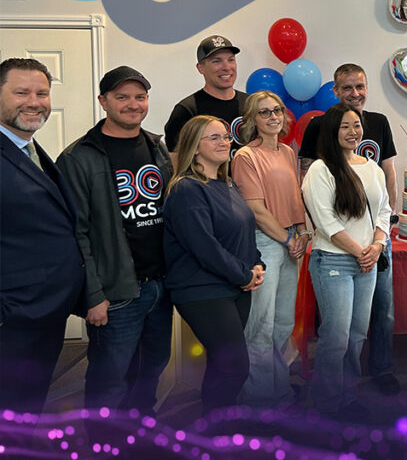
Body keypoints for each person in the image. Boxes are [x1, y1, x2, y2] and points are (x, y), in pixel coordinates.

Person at [56, 66, 173, 414]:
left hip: (160, 286)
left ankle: (141, 430)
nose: (132, 104)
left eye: (140, 97)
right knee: (110, 379)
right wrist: (92, 296)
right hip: (116, 292)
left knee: (152, 367)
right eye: (122, 97)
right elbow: (74, 234)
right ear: (103, 101)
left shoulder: (156, 147)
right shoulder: (78, 157)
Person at [298, 63, 401, 395]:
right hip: (338, 259)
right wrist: (362, 252)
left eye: (357, 126)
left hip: (370, 254)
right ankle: (328, 402)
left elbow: (384, 204)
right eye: (345, 126)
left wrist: (378, 243)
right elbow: (325, 221)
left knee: (360, 332)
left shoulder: (369, 165)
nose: (353, 131)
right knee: (337, 335)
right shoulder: (320, 168)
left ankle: (348, 392)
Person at [0, 58, 86, 414]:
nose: (34, 101)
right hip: (13, 318)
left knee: (25, 410)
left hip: (45, 314)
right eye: (21, 92)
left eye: (42, 93)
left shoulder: (32, 150)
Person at [163, 116, 264, 414]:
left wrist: (257, 265)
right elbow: (204, 247)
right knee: (235, 367)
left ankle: (217, 427)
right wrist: (243, 274)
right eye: (214, 138)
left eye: (225, 136)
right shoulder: (186, 190)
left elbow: (243, 229)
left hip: (235, 286)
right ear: (194, 147)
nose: (224, 142)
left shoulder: (225, 183)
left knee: (222, 365)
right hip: (203, 290)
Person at [231, 91, 309, 407]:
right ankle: (261, 400)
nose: (273, 116)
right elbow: (256, 210)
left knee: (283, 324)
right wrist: (288, 240)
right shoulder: (245, 157)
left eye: (277, 110)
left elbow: (295, 198)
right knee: (260, 327)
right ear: (252, 120)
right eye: (264, 112)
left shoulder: (289, 153)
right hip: (266, 242)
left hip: (292, 238)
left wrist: (302, 233)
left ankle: (280, 390)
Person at [164, 35, 248, 165]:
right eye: (216, 61)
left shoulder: (250, 104)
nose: (226, 67)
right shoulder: (187, 110)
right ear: (200, 68)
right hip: (206, 185)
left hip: (251, 184)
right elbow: (176, 163)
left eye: (231, 60)